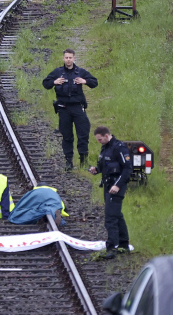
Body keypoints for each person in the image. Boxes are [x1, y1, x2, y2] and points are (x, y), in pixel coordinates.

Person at [41, 49, 99, 170]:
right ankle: (69, 162)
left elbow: (95, 82)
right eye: (66, 57)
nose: (68, 60)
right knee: (67, 136)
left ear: (74, 58)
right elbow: (45, 84)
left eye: (70, 57)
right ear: (63, 58)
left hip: (78, 108)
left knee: (83, 135)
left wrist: (85, 81)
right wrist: (54, 82)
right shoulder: (58, 72)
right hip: (64, 109)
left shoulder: (80, 72)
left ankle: (84, 162)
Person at [90, 126, 132, 256]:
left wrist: (118, 185)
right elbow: (105, 165)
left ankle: (111, 247)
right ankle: (123, 243)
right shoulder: (106, 148)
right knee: (116, 214)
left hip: (116, 186)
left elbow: (127, 169)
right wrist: (96, 170)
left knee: (110, 216)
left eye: (100, 139)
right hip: (108, 185)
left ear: (107, 136)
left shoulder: (119, 148)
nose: (99, 142)